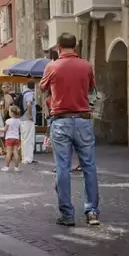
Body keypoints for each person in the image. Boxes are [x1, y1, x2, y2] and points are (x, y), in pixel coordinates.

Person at [39, 33, 99, 227]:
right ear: (75, 47)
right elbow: (90, 87)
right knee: (89, 167)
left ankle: (67, 214)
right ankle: (92, 212)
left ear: (58, 47)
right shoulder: (86, 65)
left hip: (61, 120)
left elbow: (42, 87)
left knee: (62, 168)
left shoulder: (52, 66)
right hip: (83, 120)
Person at [20, 81, 37, 164]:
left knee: (24, 139)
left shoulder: (23, 93)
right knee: (29, 139)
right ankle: (28, 158)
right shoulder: (30, 94)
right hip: (28, 119)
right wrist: (30, 115)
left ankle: (24, 157)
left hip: (22, 119)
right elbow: (29, 104)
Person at [0, 105, 21, 172]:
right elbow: (19, 130)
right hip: (16, 138)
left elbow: (5, 130)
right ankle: (16, 167)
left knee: (8, 152)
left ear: (11, 113)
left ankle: (7, 167)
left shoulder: (8, 121)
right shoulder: (19, 121)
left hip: (9, 138)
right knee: (16, 152)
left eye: (9, 111)